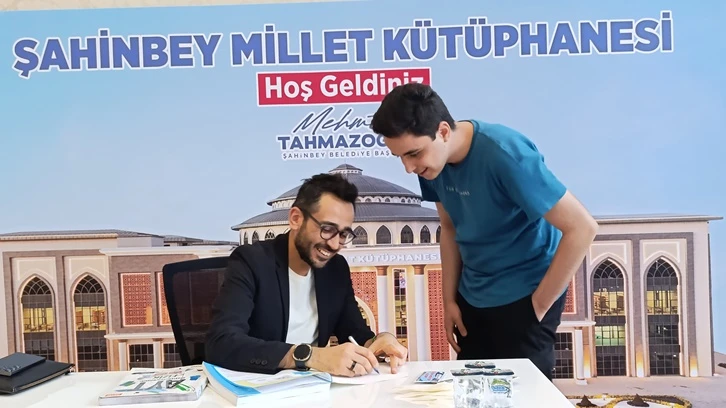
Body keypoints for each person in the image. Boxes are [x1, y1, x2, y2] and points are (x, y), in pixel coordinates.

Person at [369, 83, 598, 380]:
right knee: (471, 390)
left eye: (413, 154)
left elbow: (582, 228)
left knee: (526, 395)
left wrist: (538, 307)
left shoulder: (504, 153)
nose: (408, 168)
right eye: (399, 157)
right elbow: (449, 228)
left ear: (443, 131)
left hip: (525, 293)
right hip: (473, 295)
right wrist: (449, 300)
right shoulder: (431, 165)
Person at [205, 173, 408, 377]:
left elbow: (355, 334)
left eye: (343, 234)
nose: (334, 244)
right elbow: (221, 343)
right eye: (327, 229)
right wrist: (310, 356)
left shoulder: (335, 268)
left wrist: (380, 341)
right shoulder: (252, 261)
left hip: (312, 387)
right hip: (257, 385)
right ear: (296, 219)